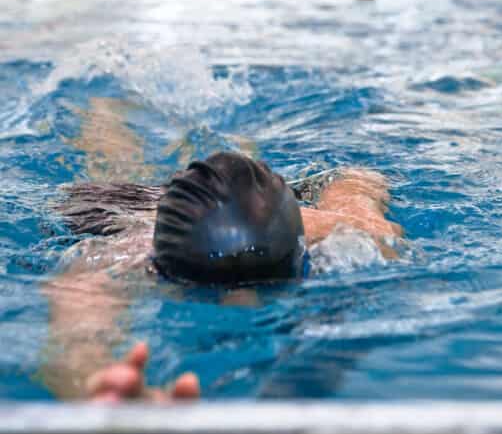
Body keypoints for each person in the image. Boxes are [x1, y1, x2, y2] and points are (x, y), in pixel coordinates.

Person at [46, 148, 400, 403]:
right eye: (208, 287)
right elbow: (79, 338)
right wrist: (102, 394)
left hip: (253, 210)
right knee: (107, 151)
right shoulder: (109, 259)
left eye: (267, 282)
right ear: (157, 267)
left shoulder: (339, 229)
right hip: (121, 207)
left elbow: (357, 177)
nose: (239, 306)